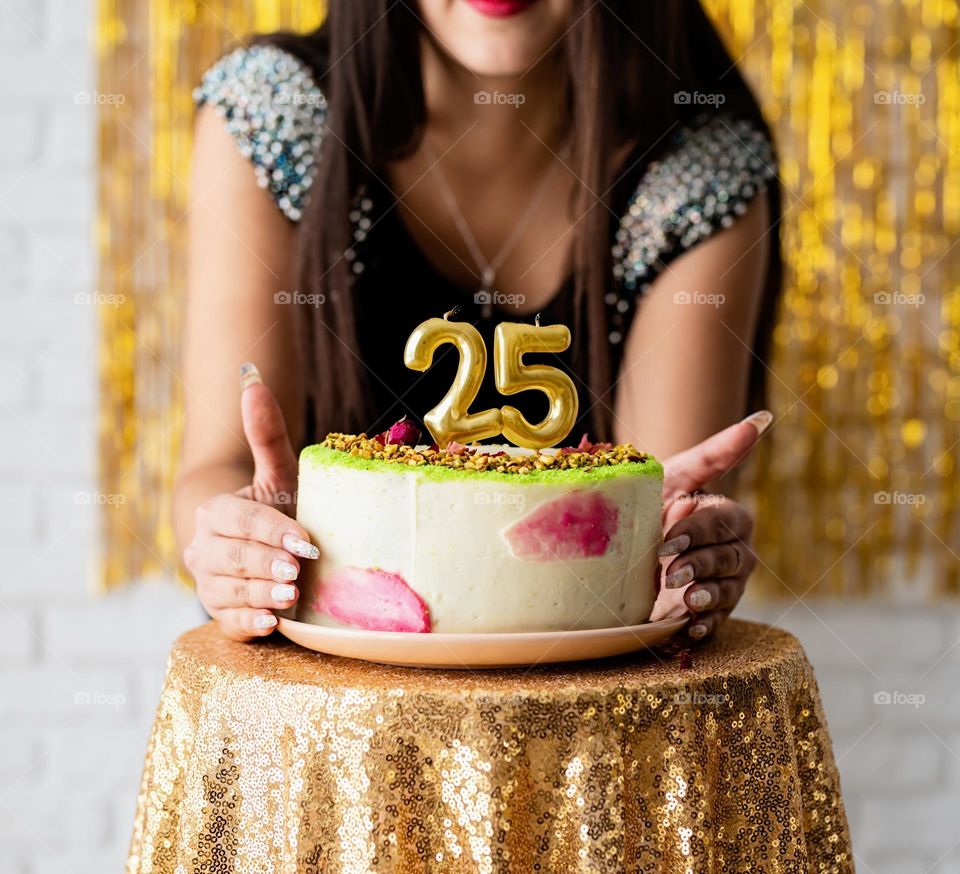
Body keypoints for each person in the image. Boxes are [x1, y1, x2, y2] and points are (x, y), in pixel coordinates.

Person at [175, 0, 780, 642]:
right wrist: (237, 544)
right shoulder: (272, 112)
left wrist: (672, 552)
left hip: (578, 704)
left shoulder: (698, 171)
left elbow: (656, 511)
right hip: (317, 697)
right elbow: (218, 467)